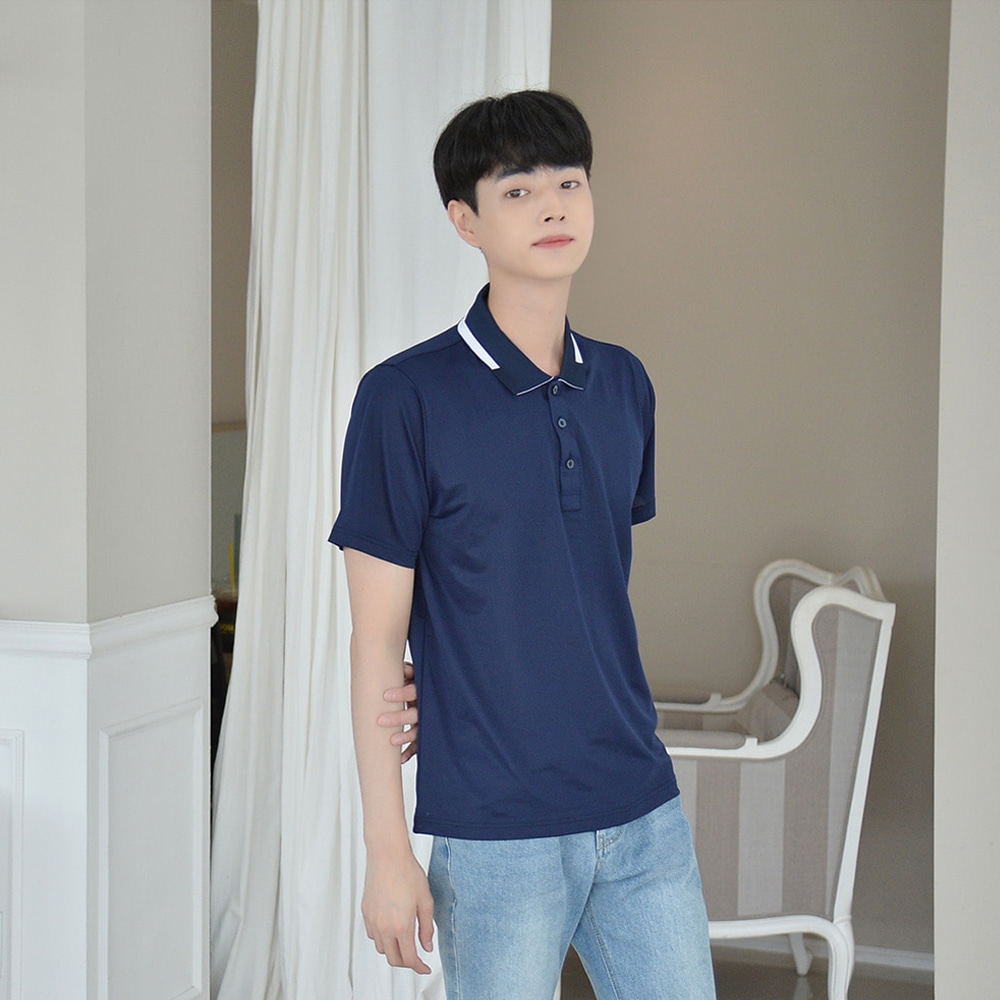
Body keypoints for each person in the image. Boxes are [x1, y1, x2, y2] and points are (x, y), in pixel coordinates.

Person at [330, 90, 715, 1000]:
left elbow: (575, 590)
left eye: (569, 183)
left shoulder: (624, 384)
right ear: (464, 221)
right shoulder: (403, 399)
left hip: (642, 809)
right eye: (517, 190)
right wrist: (388, 850)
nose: (552, 206)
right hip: (498, 833)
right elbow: (377, 639)